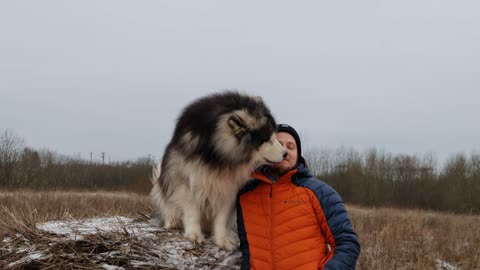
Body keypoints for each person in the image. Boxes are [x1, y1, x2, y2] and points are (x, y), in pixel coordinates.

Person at [236, 124, 360, 270]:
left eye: (291, 146)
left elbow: (347, 243)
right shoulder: (245, 194)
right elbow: (246, 248)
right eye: (278, 144)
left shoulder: (320, 192)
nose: (284, 150)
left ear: (298, 154)